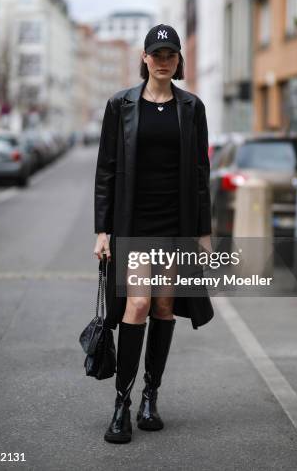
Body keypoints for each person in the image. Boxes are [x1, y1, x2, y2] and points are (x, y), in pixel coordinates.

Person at [93, 23, 214, 444]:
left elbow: (201, 172)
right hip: (135, 224)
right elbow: (106, 169)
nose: (163, 61)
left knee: (164, 306)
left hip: (174, 224)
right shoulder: (120, 105)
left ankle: (150, 396)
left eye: (171, 55)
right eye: (156, 54)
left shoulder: (191, 108)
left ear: (179, 61)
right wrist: (102, 230)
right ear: (144, 59)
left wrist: (203, 231)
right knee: (138, 303)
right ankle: (122, 403)